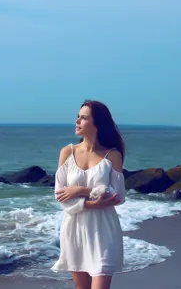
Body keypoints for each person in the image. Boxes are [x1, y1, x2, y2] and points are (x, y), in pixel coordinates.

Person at [51, 99, 127, 289]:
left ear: (97, 124)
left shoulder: (112, 155)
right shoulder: (67, 152)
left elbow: (118, 196)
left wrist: (81, 190)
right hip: (75, 228)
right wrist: (90, 203)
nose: (77, 121)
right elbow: (60, 196)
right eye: (78, 117)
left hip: (103, 230)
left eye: (83, 118)